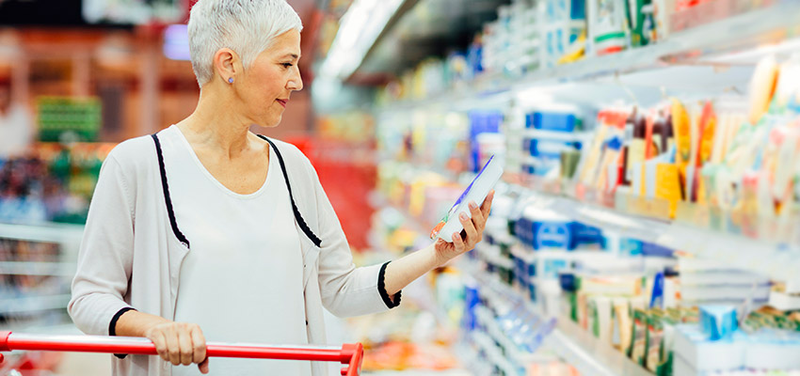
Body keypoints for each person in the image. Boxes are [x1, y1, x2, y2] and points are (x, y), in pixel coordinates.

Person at [67, 1, 493, 375]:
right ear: (229, 64)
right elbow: (89, 297)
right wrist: (153, 327)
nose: (298, 81)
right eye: (286, 64)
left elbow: (340, 289)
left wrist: (438, 255)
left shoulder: (293, 169)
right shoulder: (138, 166)